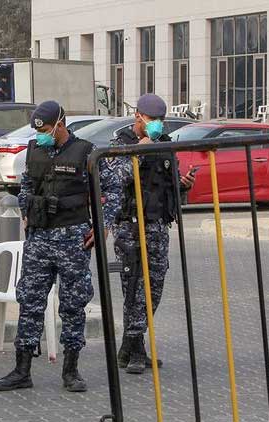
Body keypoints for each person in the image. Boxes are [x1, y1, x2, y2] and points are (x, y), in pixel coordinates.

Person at [0, 100, 121, 393]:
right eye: (39, 131)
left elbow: (112, 190)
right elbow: (25, 185)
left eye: (47, 130)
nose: (42, 136)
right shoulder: (35, 150)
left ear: (60, 125)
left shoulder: (86, 152)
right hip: (39, 239)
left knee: (73, 305)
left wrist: (103, 225)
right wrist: (26, 208)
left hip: (72, 238)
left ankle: (71, 371)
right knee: (29, 302)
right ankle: (21, 370)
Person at [109, 94, 195, 374]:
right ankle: (135, 351)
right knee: (133, 289)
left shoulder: (165, 144)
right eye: (153, 120)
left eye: (161, 120)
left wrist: (183, 184)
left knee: (152, 292)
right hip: (130, 227)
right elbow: (114, 181)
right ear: (138, 117)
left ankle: (129, 347)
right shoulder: (120, 143)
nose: (157, 125)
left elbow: (168, 184)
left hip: (158, 227)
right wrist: (138, 151)